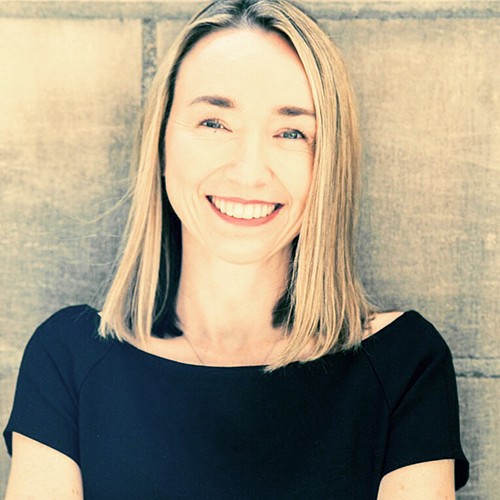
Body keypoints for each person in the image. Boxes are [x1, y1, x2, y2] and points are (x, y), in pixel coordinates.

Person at [3, 0, 469, 498]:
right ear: (160, 145)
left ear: (329, 164)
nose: (249, 172)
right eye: (213, 123)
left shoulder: (403, 365)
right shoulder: (68, 359)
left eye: (291, 132)